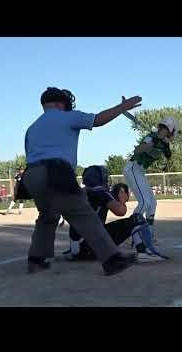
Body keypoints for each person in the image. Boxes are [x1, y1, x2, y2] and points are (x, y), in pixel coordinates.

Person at [22, 87, 141, 275]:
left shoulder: (32, 128)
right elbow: (98, 120)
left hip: (31, 176)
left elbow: (30, 156)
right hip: (56, 172)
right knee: (84, 214)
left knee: (47, 216)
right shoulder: (67, 116)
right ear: (61, 103)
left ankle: (36, 260)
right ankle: (112, 259)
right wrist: (122, 107)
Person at [63, 166, 168, 263]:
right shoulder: (100, 193)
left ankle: (75, 251)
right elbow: (121, 212)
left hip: (78, 248)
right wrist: (122, 200)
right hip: (92, 247)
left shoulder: (80, 193)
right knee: (137, 219)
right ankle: (144, 252)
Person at [123, 116, 181, 247]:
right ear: (170, 130)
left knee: (152, 203)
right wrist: (150, 144)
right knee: (144, 203)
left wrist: (165, 145)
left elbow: (169, 157)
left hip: (140, 171)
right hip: (133, 168)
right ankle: (128, 234)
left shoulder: (163, 142)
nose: (174, 135)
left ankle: (148, 234)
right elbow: (137, 150)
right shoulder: (151, 137)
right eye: (174, 132)